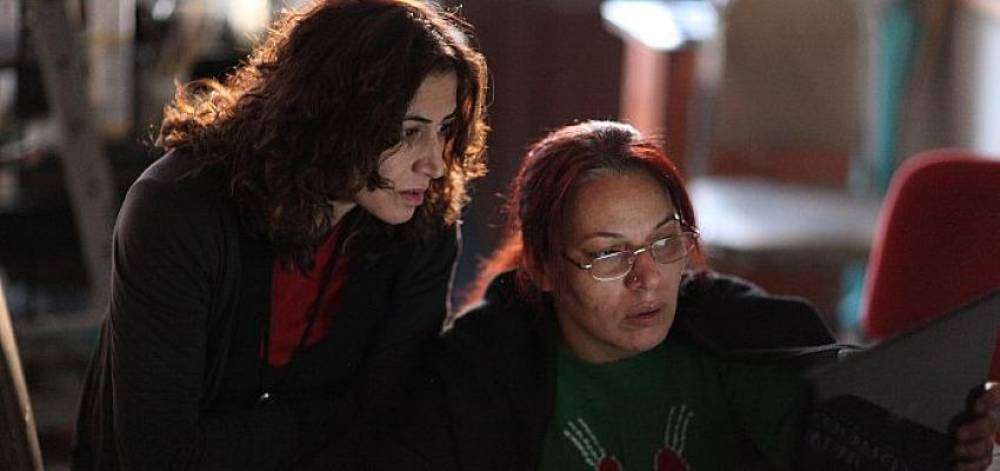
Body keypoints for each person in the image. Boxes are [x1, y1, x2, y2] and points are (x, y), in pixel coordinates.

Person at [380, 120, 1000, 470]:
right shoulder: (485, 376)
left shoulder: (740, 346)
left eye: (664, 242)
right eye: (607, 254)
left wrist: (952, 442)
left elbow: (857, 441)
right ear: (543, 269)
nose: (647, 278)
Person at [70, 1, 488, 469]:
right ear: (333, 114)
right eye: (409, 132)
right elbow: (159, 456)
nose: (435, 163)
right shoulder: (178, 210)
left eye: (445, 129)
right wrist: (332, 418)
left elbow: (389, 424)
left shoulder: (422, 221)